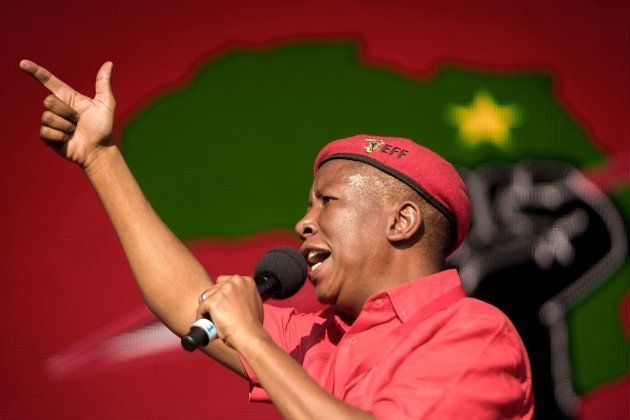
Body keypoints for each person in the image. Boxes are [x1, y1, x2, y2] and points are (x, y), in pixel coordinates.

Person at [20, 60, 534, 419]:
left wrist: (254, 340)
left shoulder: (475, 332)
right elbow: (185, 300)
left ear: (401, 222)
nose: (302, 224)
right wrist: (101, 158)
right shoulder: (323, 336)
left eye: (326, 202)